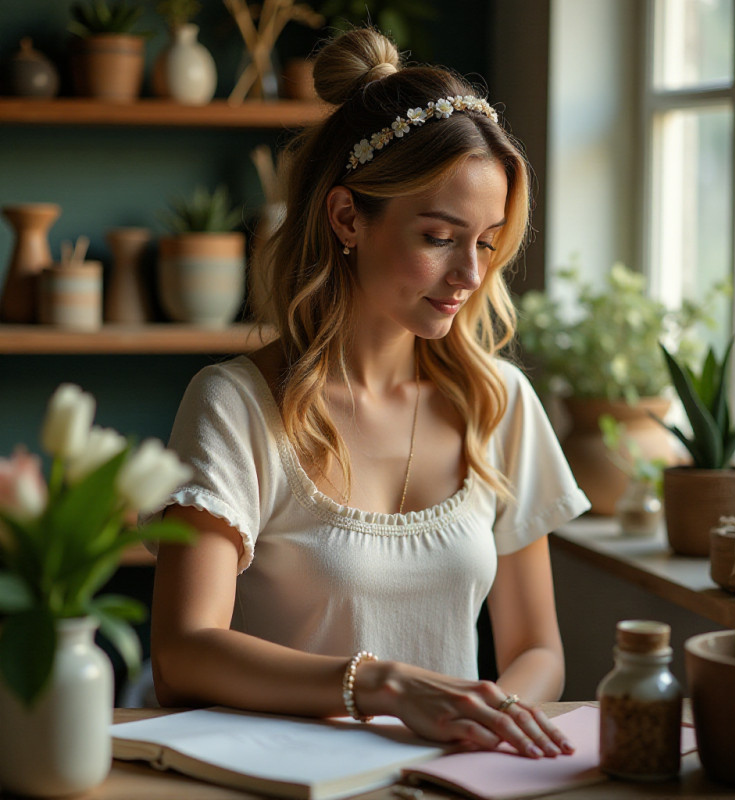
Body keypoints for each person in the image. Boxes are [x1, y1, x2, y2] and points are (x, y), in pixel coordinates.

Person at [149, 27, 590, 760]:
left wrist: (486, 719)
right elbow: (183, 655)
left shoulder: (499, 403)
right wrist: (381, 687)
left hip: (452, 779)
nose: (471, 276)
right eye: (440, 236)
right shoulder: (237, 405)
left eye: (486, 242)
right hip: (283, 781)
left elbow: (538, 647)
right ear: (349, 217)